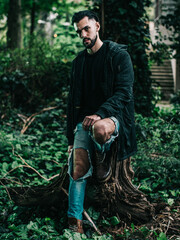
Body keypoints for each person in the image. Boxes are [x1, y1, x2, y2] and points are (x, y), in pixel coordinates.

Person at [66, 10, 137, 233]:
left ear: (97, 26)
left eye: (86, 29)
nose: (83, 35)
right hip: (83, 121)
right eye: (79, 32)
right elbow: (72, 102)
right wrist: (71, 137)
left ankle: (101, 155)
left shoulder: (118, 55)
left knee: (99, 128)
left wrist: (101, 113)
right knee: (78, 168)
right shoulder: (79, 62)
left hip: (112, 117)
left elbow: (125, 93)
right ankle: (73, 221)